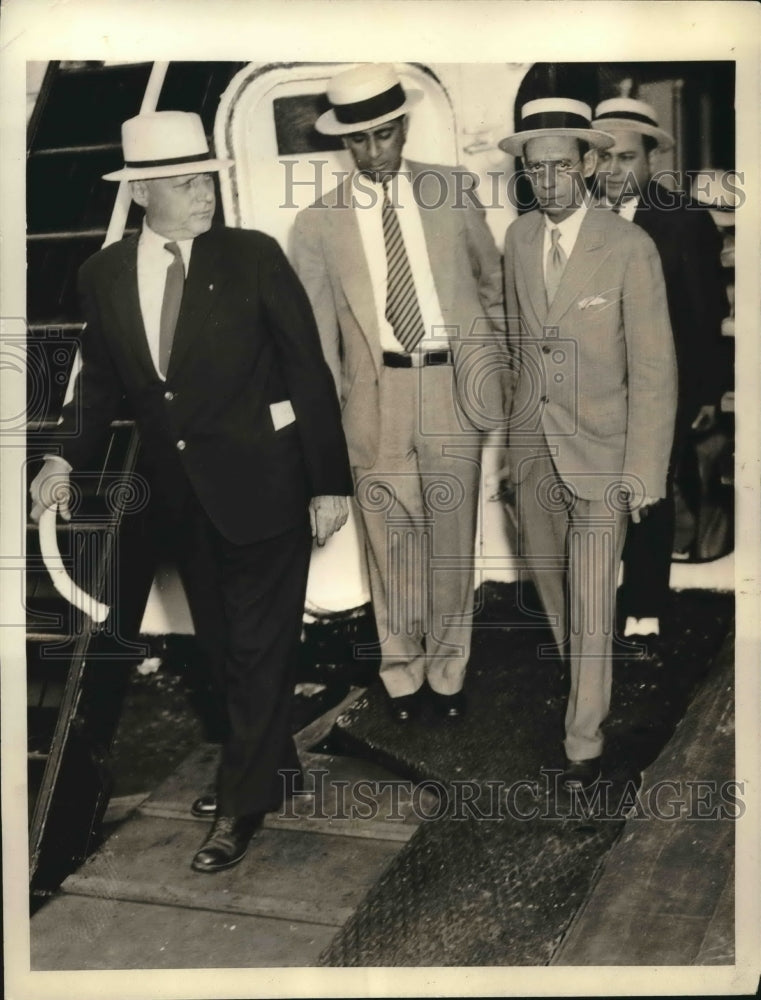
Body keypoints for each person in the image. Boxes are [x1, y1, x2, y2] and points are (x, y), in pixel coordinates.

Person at [29, 111, 353, 873]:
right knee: (220, 647)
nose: (204, 193)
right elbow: (99, 383)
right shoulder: (104, 274)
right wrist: (61, 460)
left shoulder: (253, 257)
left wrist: (327, 484)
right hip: (180, 500)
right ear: (143, 193)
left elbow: (308, 371)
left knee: (257, 646)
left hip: (268, 488)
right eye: (184, 182)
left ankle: (242, 809)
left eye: (205, 177)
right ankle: (271, 765)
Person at [292, 64, 509, 725]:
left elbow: (493, 289)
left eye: (384, 137)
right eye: (357, 142)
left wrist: (490, 378)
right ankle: (402, 676)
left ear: (403, 128)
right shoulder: (316, 224)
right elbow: (314, 348)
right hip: (373, 399)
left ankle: (448, 675)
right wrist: (327, 435)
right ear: (343, 145)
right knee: (389, 546)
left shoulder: (452, 192)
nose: (373, 153)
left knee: (450, 537)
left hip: (450, 387)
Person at [497, 98, 677, 790]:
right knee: (555, 593)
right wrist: (513, 455)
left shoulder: (630, 247)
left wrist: (643, 471)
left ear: (590, 165)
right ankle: (582, 692)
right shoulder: (516, 240)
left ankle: (583, 744)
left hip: (603, 456)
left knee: (595, 599)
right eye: (534, 169)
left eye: (559, 167)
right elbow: (517, 348)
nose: (546, 181)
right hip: (535, 450)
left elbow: (654, 368)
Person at [592, 98, 728, 640]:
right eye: (605, 159)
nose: (615, 171)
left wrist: (705, 396)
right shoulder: (581, 220)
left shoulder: (683, 219)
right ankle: (599, 602)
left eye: (627, 157)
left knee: (649, 490)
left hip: (663, 387)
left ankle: (645, 606)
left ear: (651, 158)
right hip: (597, 390)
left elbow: (706, 315)